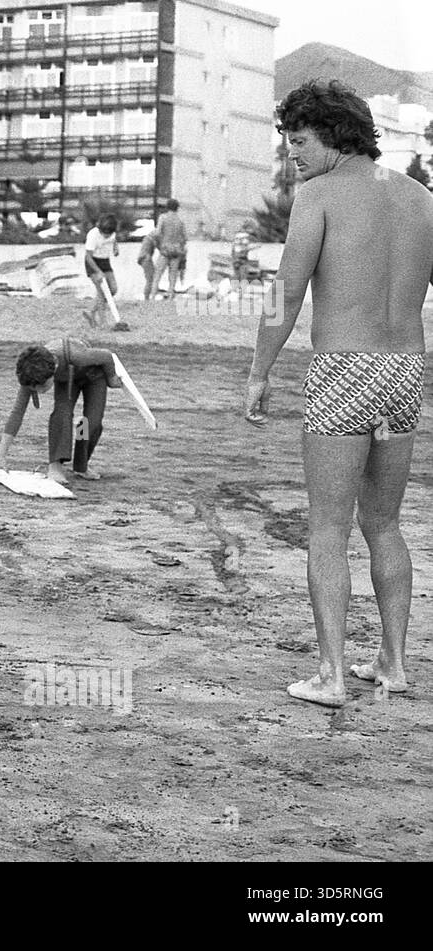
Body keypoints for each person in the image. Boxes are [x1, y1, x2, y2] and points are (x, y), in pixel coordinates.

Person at [245, 80, 433, 707]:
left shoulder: (318, 194)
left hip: (344, 369)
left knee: (327, 526)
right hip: (404, 371)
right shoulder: (420, 197)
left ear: (332, 136)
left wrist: (259, 370)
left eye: (298, 142)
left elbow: (286, 290)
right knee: (383, 522)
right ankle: (394, 663)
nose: (292, 155)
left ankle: (329, 675)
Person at [0, 337, 124, 485]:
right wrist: (0, 457)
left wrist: (111, 378)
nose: (39, 391)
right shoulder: (31, 374)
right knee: (62, 413)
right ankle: (55, 466)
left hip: (93, 374)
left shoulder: (77, 355)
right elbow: (17, 414)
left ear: (53, 369)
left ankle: (81, 465)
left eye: (41, 386)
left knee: (91, 423)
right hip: (66, 379)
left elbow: (106, 355)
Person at [82, 215, 127, 330]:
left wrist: (116, 248)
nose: (106, 236)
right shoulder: (93, 235)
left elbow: (113, 239)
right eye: (104, 233)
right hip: (93, 262)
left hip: (105, 261)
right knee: (101, 292)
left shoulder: (112, 232)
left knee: (113, 289)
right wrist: (98, 272)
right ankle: (103, 323)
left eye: (108, 234)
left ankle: (90, 312)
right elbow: (88, 257)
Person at [155, 198, 187, 298]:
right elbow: (185, 237)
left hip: (165, 249)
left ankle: (152, 294)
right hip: (176, 250)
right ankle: (170, 294)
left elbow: (157, 233)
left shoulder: (163, 218)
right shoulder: (180, 220)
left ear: (167, 207)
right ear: (177, 208)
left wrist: (159, 245)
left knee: (158, 273)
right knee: (173, 274)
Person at [137, 228, 158, 300]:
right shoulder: (154, 236)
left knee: (151, 278)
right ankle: (147, 298)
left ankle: (149, 297)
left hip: (143, 257)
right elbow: (158, 245)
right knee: (150, 279)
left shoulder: (149, 236)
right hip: (146, 258)